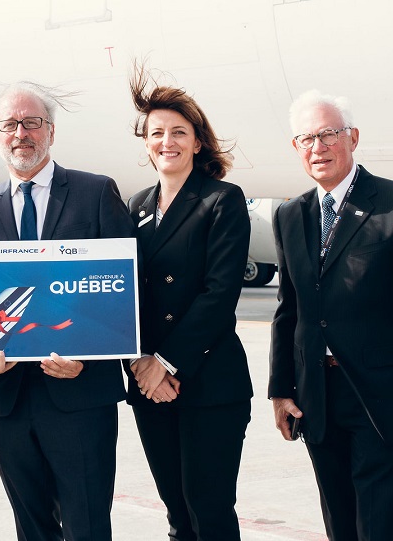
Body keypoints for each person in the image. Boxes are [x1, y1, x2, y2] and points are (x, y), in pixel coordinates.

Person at [0, 81, 134, 541]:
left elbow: (127, 288)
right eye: (9, 124)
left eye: (32, 123)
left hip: (81, 395)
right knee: (31, 527)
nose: (20, 133)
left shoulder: (96, 192)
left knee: (87, 526)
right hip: (10, 399)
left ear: (51, 131)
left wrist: (90, 354)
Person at [268, 90, 393, 541]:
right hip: (317, 399)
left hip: (381, 400)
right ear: (296, 147)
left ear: (352, 137)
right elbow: (288, 308)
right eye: (306, 138)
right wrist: (280, 389)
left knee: (381, 526)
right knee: (340, 526)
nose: (318, 147)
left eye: (328, 134)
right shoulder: (291, 214)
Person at [124, 67, 253, 540]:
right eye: (156, 133)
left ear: (198, 143)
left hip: (208, 383)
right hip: (148, 384)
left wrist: (165, 362)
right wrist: (139, 361)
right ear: (146, 143)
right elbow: (119, 292)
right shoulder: (135, 206)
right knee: (177, 512)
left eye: (179, 132)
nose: (167, 141)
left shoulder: (221, 200)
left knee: (210, 511)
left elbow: (219, 295)